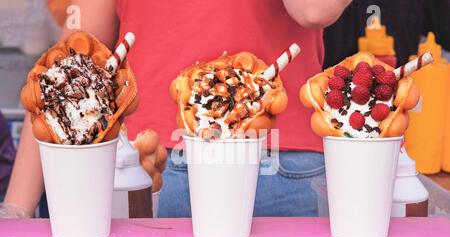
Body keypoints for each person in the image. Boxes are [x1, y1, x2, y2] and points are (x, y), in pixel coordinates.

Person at [3, 0, 351, 218]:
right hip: (151, 166)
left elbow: (313, 9)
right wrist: (17, 207)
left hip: (278, 161)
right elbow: (64, 71)